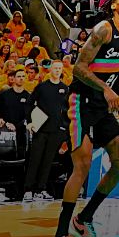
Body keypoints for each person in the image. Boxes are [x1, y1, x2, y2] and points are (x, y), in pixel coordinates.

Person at [54, 0, 119, 237]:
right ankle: (61, 231)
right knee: (83, 165)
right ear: (113, 6)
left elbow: (112, 74)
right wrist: (107, 90)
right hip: (81, 101)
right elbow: (79, 68)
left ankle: (84, 217)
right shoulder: (104, 28)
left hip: (101, 104)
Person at [24, 61, 70, 202]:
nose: (57, 70)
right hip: (41, 129)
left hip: (56, 131)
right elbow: (29, 103)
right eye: (55, 68)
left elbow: (68, 110)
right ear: (50, 70)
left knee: (47, 161)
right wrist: (30, 121)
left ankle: (40, 189)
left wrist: (64, 127)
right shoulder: (42, 87)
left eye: (59, 68)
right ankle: (28, 190)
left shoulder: (65, 88)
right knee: (35, 159)